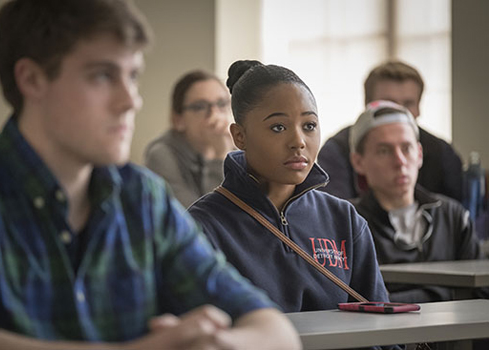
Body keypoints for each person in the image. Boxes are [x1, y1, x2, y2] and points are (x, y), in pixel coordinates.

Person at [0, 1, 301, 349]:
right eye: (102, 75)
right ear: (32, 80)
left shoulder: (142, 198)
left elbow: (274, 329)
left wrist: (218, 345)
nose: (131, 100)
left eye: (133, 76)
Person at [188, 60, 391, 314]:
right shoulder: (203, 227)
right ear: (239, 136)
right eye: (278, 127)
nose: (298, 141)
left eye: (309, 126)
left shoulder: (344, 219)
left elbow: (381, 324)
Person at [348, 100, 482, 303]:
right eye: (384, 151)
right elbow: (356, 302)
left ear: (419, 154)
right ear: (358, 162)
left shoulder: (453, 216)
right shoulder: (348, 222)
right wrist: (445, 294)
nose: (400, 161)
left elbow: (481, 292)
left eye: (407, 148)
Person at [317, 60, 464, 202]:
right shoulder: (336, 150)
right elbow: (335, 216)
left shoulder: (442, 152)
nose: (399, 113)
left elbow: (462, 212)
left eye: (408, 104)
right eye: (389, 104)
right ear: (367, 105)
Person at [144, 70, 235, 207]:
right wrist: (220, 158)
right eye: (200, 107)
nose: (214, 115)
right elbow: (200, 220)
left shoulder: (238, 146)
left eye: (222, 104)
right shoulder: (162, 155)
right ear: (178, 120)